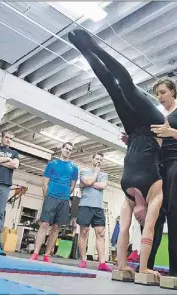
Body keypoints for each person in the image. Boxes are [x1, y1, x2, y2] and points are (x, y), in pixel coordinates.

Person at [68, 29, 165, 278]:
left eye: (139, 217)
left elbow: (125, 232)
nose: (141, 217)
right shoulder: (155, 193)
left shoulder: (130, 197)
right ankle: (95, 47)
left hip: (134, 131)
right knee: (128, 88)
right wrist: (144, 269)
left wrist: (123, 267)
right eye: (142, 217)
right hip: (154, 125)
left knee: (113, 88)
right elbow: (150, 230)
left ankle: (84, 50)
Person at [122, 77, 177, 278]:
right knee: (151, 219)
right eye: (157, 93)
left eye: (163, 92)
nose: (160, 97)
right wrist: (132, 139)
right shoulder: (156, 115)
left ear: (173, 91)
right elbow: (150, 140)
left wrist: (169, 131)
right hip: (157, 167)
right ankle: (145, 265)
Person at [30, 142, 79, 262]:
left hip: (64, 199)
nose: (68, 151)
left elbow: (72, 186)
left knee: (56, 227)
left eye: (70, 150)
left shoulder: (74, 167)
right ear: (61, 149)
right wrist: (47, 197)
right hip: (51, 197)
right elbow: (44, 182)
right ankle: (35, 253)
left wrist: (65, 194)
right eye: (66, 148)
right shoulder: (52, 164)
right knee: (44, 225)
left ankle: (47, 254)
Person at [76, 152, 112, 272]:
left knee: (101, 234)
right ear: (92, 159)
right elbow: (87, 182)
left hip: (98, 207)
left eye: (101, 160)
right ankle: (83, 260)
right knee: (84, 233)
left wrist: (90, 183)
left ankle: (102, 263)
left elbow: (103, 186)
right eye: (97, 158)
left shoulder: (104, 175)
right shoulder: (83, 171)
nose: (99, 161)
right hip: (85, 205)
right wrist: (94, 175)